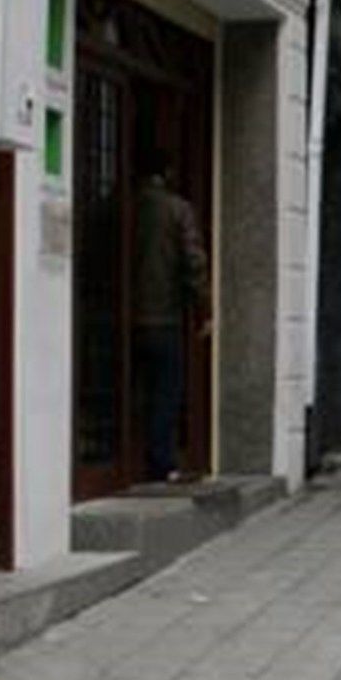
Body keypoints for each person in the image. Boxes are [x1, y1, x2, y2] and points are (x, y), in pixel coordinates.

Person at [133, 150, 209, 482]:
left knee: (137, 387)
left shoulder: (124, 207)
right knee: (166, 389)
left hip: (126, 316)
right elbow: (194, 263)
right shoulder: (178, 210)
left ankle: (131, 453)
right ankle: (160, 462)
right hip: (164, 315)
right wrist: (204, 309)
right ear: (167, 172)